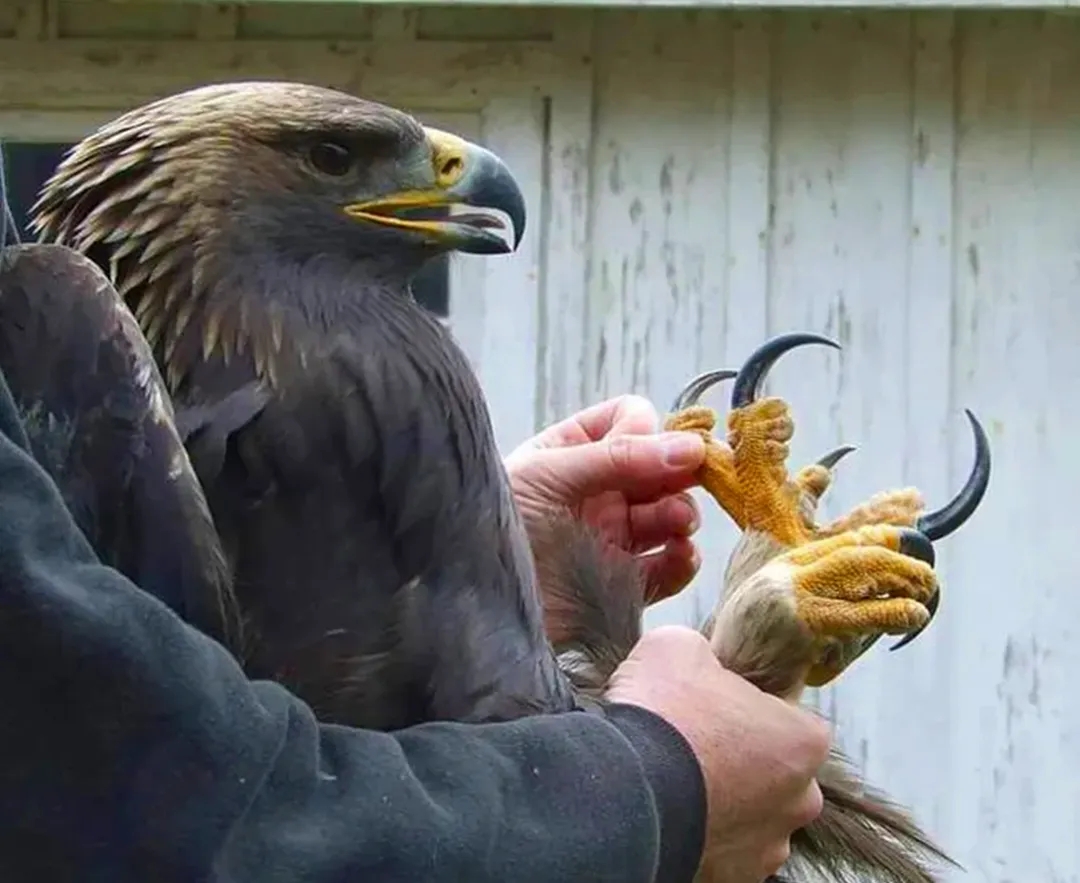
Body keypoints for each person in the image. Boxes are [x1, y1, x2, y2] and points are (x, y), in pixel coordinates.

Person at [0, 154, 827, 883]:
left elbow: (132, 688)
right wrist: (659, 784)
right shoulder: (55, 319)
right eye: (330, 157)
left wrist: (457, 561)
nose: (453, 170)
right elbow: (180, 820)